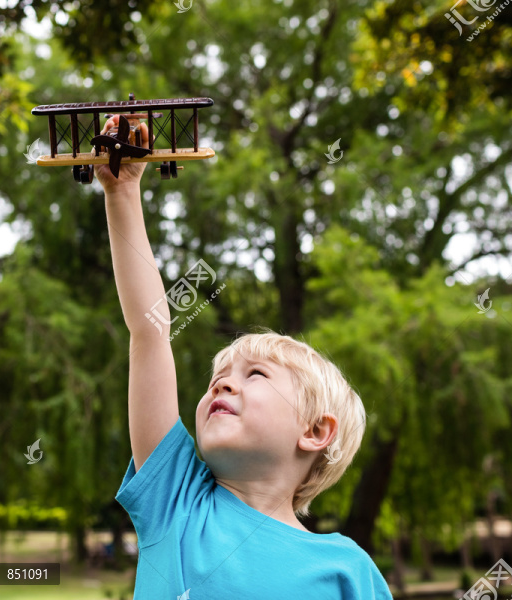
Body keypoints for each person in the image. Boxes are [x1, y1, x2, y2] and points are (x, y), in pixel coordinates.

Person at [97, 114, 393, 599]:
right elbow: (149, 332)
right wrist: (123, 192)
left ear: (315, 431)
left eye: (254, 374)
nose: (221, 384)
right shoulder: (175, 500)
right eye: (218, 376)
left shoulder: (346, 570)